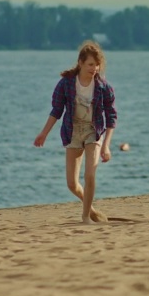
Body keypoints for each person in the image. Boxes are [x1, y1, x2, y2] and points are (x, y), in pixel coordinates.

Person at [33, 41, 117, 224]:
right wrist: (43, 134)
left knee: (90, 175)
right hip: (72, 131)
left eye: (97, 65)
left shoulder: (103, 87)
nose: (94, 68)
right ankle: (92, 210)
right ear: (80, 63)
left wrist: (106, 146)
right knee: (71, 184)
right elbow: (56, 111)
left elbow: (111, 117)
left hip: (93, 131)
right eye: (90, 64)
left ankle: (85, 217)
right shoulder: (66, 84)